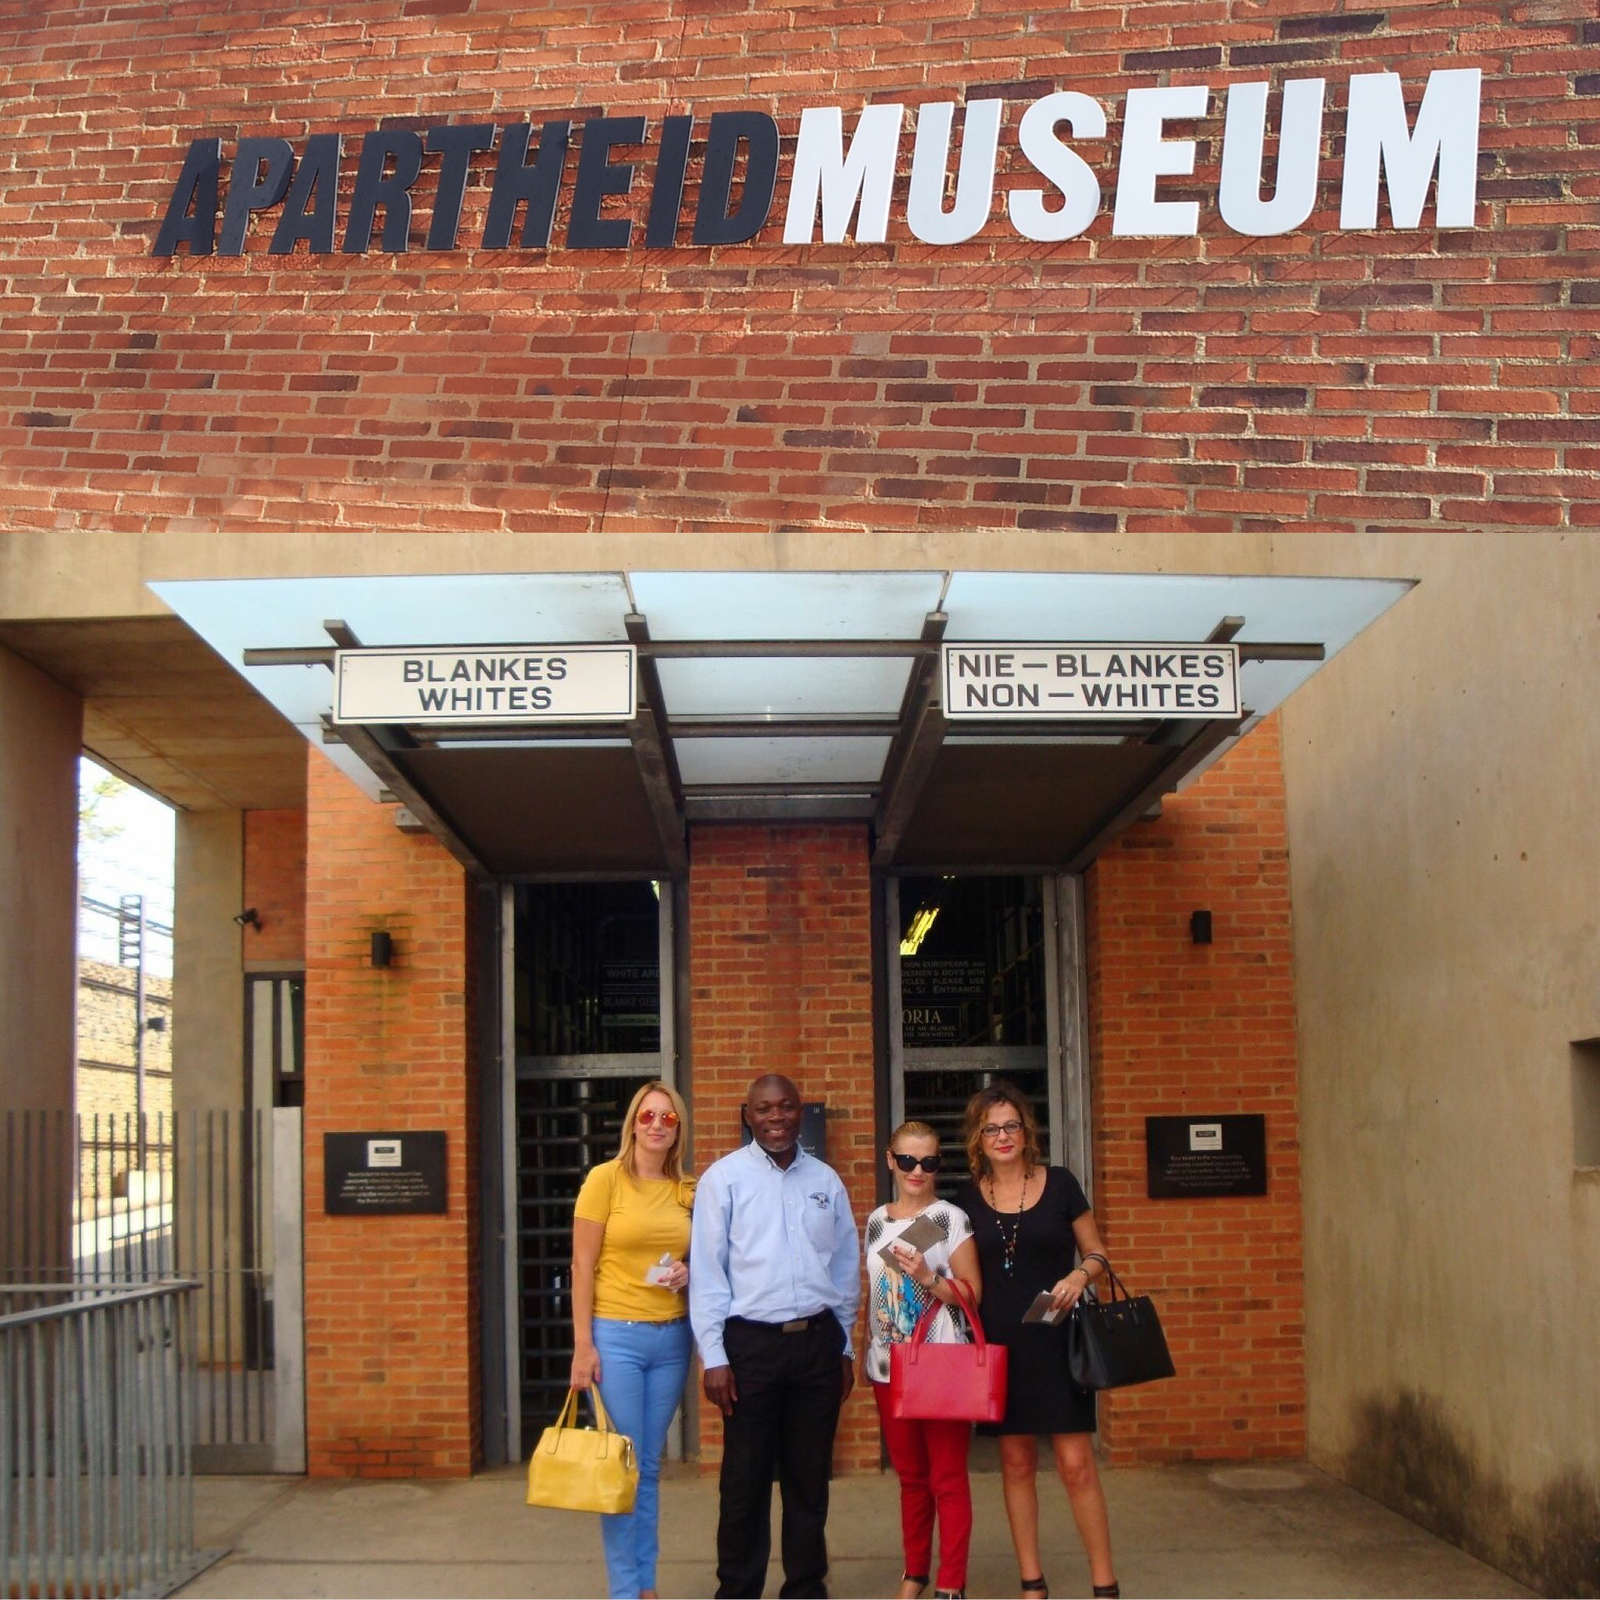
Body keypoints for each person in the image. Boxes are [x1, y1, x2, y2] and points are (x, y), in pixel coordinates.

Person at [689, 1074, 861, 1600]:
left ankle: (806, 1587)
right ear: (748, 1115)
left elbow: (845, 1265)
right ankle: (738, 1588)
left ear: (800, 1111)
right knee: (744, 1479)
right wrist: (714, 1357)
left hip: (816, 1344)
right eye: (765, 1109)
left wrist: (846, 1346)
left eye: (786, 1107)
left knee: (809, 1479)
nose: (777, 1117)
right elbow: (708, 1275)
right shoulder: (724, 1180)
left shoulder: (826, 1181)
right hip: (750, 1350)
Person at [953, 1082, 1120, 1600]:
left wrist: (1079, 1277)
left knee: (1075, 1464)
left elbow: (1097, 1253)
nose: (1002, 1136)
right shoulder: (963, 1201)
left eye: (1011, 1126)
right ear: (977, 1140)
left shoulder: (1062, 1183)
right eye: (991, 1129)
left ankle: (1104, 1582)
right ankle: (1032, 1581)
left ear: (1027, 1132)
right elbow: (928, 1255)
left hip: (1056, 1339)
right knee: (1017, 1463)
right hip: (999, 1346)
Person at [570, 1080, 696, 1600]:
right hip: (614, 1338)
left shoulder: (688, 1189)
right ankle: (626, 1591)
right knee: (622, 1469)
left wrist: (688, 1271)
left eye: (668, 1119)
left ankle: (647, 1587)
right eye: (647, 1117)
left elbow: (706, 1257)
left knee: (647, 1468)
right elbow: (581, 1264)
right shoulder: (605, 1180)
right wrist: (583, 1345)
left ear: (678, 1129)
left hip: (671, 1340)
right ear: (632, 1123)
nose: (657, 1126)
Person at [864, 1120, 983, 1600]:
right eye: (908, 1160)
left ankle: (950, 1581)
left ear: (938, 1164)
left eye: (929, 1162)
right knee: (911, 1478)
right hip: (887, 1365)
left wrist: (929, 1278)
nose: (918, 1170)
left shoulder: (947, 1218)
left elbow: (972, 1293)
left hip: (940, 1367)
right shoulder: (877, 1219)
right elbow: (869, 1289)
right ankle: (915, 1572)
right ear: (891, 1160)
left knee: (947, 1478)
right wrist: (859, 1345)